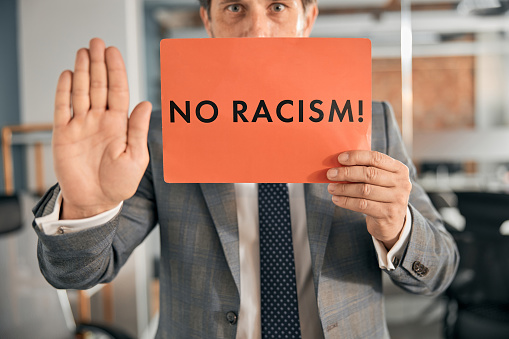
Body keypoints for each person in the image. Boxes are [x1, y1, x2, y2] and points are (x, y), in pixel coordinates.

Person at [32, 0, 459, 338]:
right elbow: (75, 275)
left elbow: (437, 272)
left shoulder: (372, 123)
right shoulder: (160, 136)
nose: (257, 31)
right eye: (235, 7)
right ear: (208, 21)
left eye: (277, 7)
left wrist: (397, 226)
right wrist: (88, 208)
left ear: (306, 19)